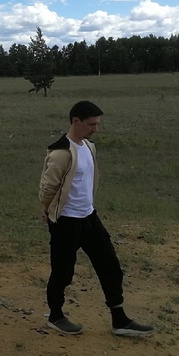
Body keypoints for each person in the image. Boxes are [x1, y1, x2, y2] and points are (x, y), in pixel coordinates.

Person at [39, 100, 155, 337]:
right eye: (91, 124)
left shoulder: (89, 147)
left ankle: (119, 319)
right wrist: (49, 211)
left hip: (89, 217)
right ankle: (56, 316)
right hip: (66, 221)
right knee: (62, 271)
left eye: (97, 124)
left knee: (110, 265)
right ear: (76, 121)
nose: (96, 129)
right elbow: (47, 187)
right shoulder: (61, 152)